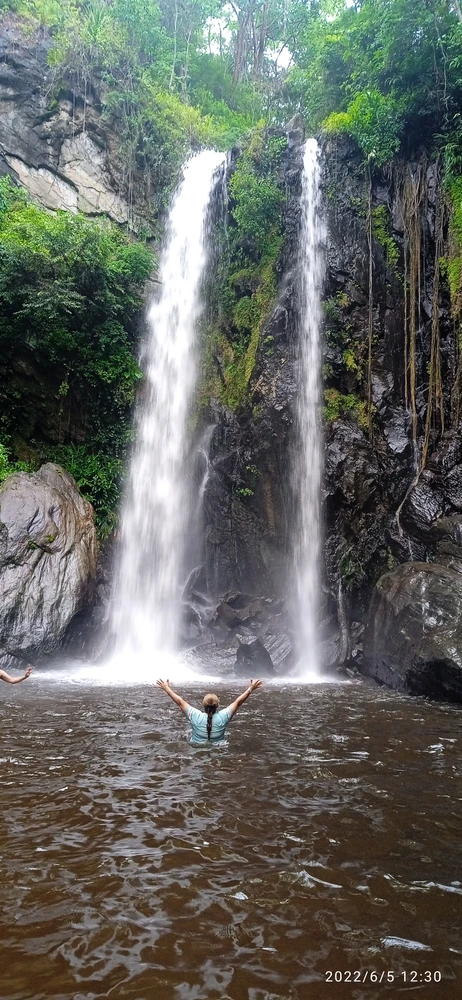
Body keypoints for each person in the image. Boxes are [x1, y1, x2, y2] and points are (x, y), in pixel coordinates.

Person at [156, 677, 262, 743]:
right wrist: (250, 689)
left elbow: (180, 702)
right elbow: (238, 702)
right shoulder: (224, 716)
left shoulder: (195, 715)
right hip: (219, 751)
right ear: (217, 705)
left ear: (203, 705)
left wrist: (166, 688)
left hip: (196, 750)